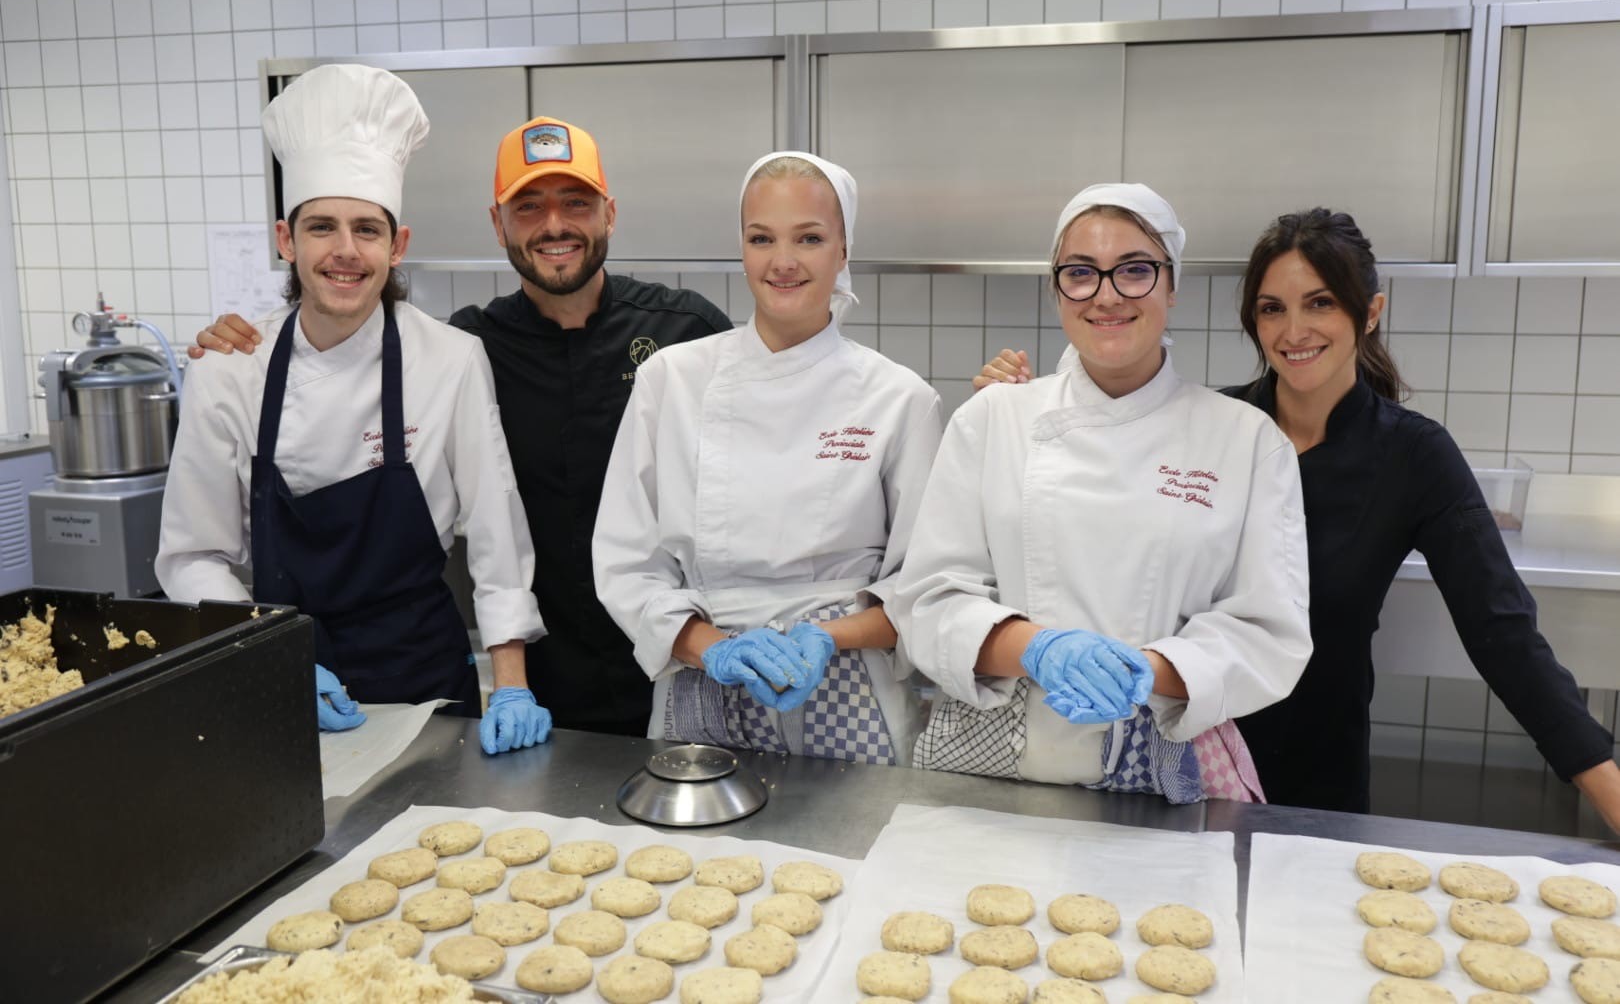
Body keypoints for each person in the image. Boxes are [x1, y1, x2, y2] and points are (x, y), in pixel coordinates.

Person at [976, 207, 1620, 828]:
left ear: (1370, 313)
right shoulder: (1212, 432)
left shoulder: (1411, 455)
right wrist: (1020, 419)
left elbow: (1503, 632)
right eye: (1271, 309)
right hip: (1171, 763)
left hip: (1316, 777)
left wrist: (1603, 780)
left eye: (1321, 303)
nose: (1293, 331)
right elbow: (1090, 532)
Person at [189, 116, 732, 738]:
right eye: (527, 207)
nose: (554, 225)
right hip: (546, 671)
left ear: (609, 213)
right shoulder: (470, 345)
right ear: (497, 225)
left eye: (576, 203)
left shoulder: (689, 332)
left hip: (678, 657)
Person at [157, 64, 550, 755]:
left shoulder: (450, 360)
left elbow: (496, 535)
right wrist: (263, 651)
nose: (345, 251)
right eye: (322, 228)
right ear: (287, 241)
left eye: (367, 229)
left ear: (397, 247)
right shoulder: (229, 372)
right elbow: (193, 555)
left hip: (426, 679)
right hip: (277, 675)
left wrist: (512, 682)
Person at [892, 183, 1311, 802]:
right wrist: (1042, 650)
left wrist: (1147, 672)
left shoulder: (1246, 440)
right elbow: (929, 599)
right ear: (1057, 289)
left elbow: (1268, 632)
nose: (1107, 295)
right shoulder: (991, 419)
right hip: (996, 760)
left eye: (1136, 271)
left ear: (1172, 286)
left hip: (1166, 757)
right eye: (1081, 273)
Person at [591, 152, 943, 763]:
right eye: (762, 238)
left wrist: (823, 640)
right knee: (696, 858)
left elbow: (922, 588)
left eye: (809, 238)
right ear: (742, 248)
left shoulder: (900, 399)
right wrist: (713, 648)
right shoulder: (670, 380)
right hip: (703, 675)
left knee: (849, 850)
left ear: (843, 252)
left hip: (849, 684)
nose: (783, 261)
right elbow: (626, 563)